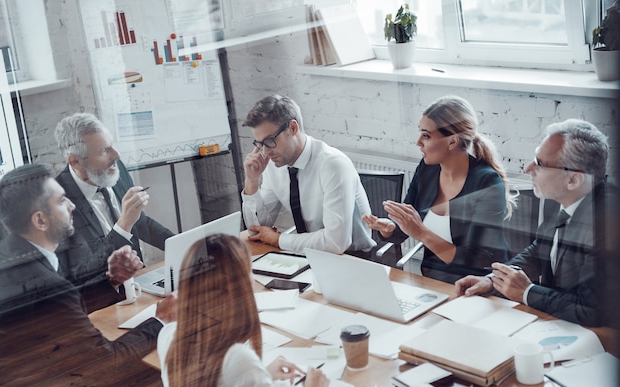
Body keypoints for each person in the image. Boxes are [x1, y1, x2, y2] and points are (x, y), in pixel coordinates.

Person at [0, 163, 177, 387]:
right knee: (174, 378)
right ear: (40, 220)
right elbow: (107, 365)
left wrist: (109, 281)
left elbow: (56, 308)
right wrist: (161, 319)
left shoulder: (9, 256)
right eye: (61, 201)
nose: (72, 206)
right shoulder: (48, 284)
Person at [455, 119, 618, 327]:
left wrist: (527, 292)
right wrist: (493, 280)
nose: (527, 168)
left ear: (573, 180)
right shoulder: (565, 196)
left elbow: (592, 311)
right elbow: (539, 250)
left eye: (539, 164)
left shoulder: (606, 223)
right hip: (555, 322)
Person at [157, 234, 329, 387]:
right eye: (250, 270)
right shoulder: (237, 358)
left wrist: (260, 376)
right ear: (238, 288)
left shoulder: (167, 334)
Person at [363, 95, 513, 283]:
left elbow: (476, 260)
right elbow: (408, 226)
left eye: (426, 135)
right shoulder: (427, 169)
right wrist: (390, 227)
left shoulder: (487, 182)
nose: (418, 142)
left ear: (452, 141)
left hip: (480, 286)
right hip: (433, 281)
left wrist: (421, 233)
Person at [241, 94, 375, 255]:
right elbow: (257, 231)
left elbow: (336, 243)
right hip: (308, 252)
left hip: (353, 259)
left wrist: (278, 239)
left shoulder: (333, 164)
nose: (266, 151)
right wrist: (252, 181)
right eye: (260, 144)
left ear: (292, 128)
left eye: (270, 140)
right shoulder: (274, 163)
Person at [54, 112, 174, 270]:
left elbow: (139, 222)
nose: (117, 155)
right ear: (75, 161)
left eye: (112, 145)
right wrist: (124, 223)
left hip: (140, 279)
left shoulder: (116, 169)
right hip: (106, 291)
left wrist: (184, 245)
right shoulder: (58, 202)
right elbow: (86, 269)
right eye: (104, 151)